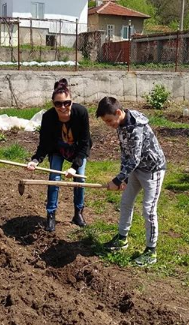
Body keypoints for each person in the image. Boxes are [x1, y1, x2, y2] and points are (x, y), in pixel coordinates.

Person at [95, 96, 166, 266]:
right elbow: (125, 153)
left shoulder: (136, 128)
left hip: (152, 171)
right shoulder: (121, 125)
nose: (108, 124)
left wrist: (116, 179)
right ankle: (122, 239)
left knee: (148, 210)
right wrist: (123, 178)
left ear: (118, 112)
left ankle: (151, 251)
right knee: (126, 202)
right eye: (106, 122)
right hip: (136, 170)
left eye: (109, 120)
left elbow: (134, 158)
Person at [27, 79, 92, 232]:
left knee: (80, 179)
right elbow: (44, 143)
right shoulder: (48, 117)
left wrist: (75, 167)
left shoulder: (81, 113)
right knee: (54, 179)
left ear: (72, 101)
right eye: (58, 104)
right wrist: (36, 160)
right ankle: (51, 215)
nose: (63, 107)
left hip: (77, 151)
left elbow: (85, 143)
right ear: (53, 104)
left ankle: (78, 213)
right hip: (57, 150)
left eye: (66, 103)